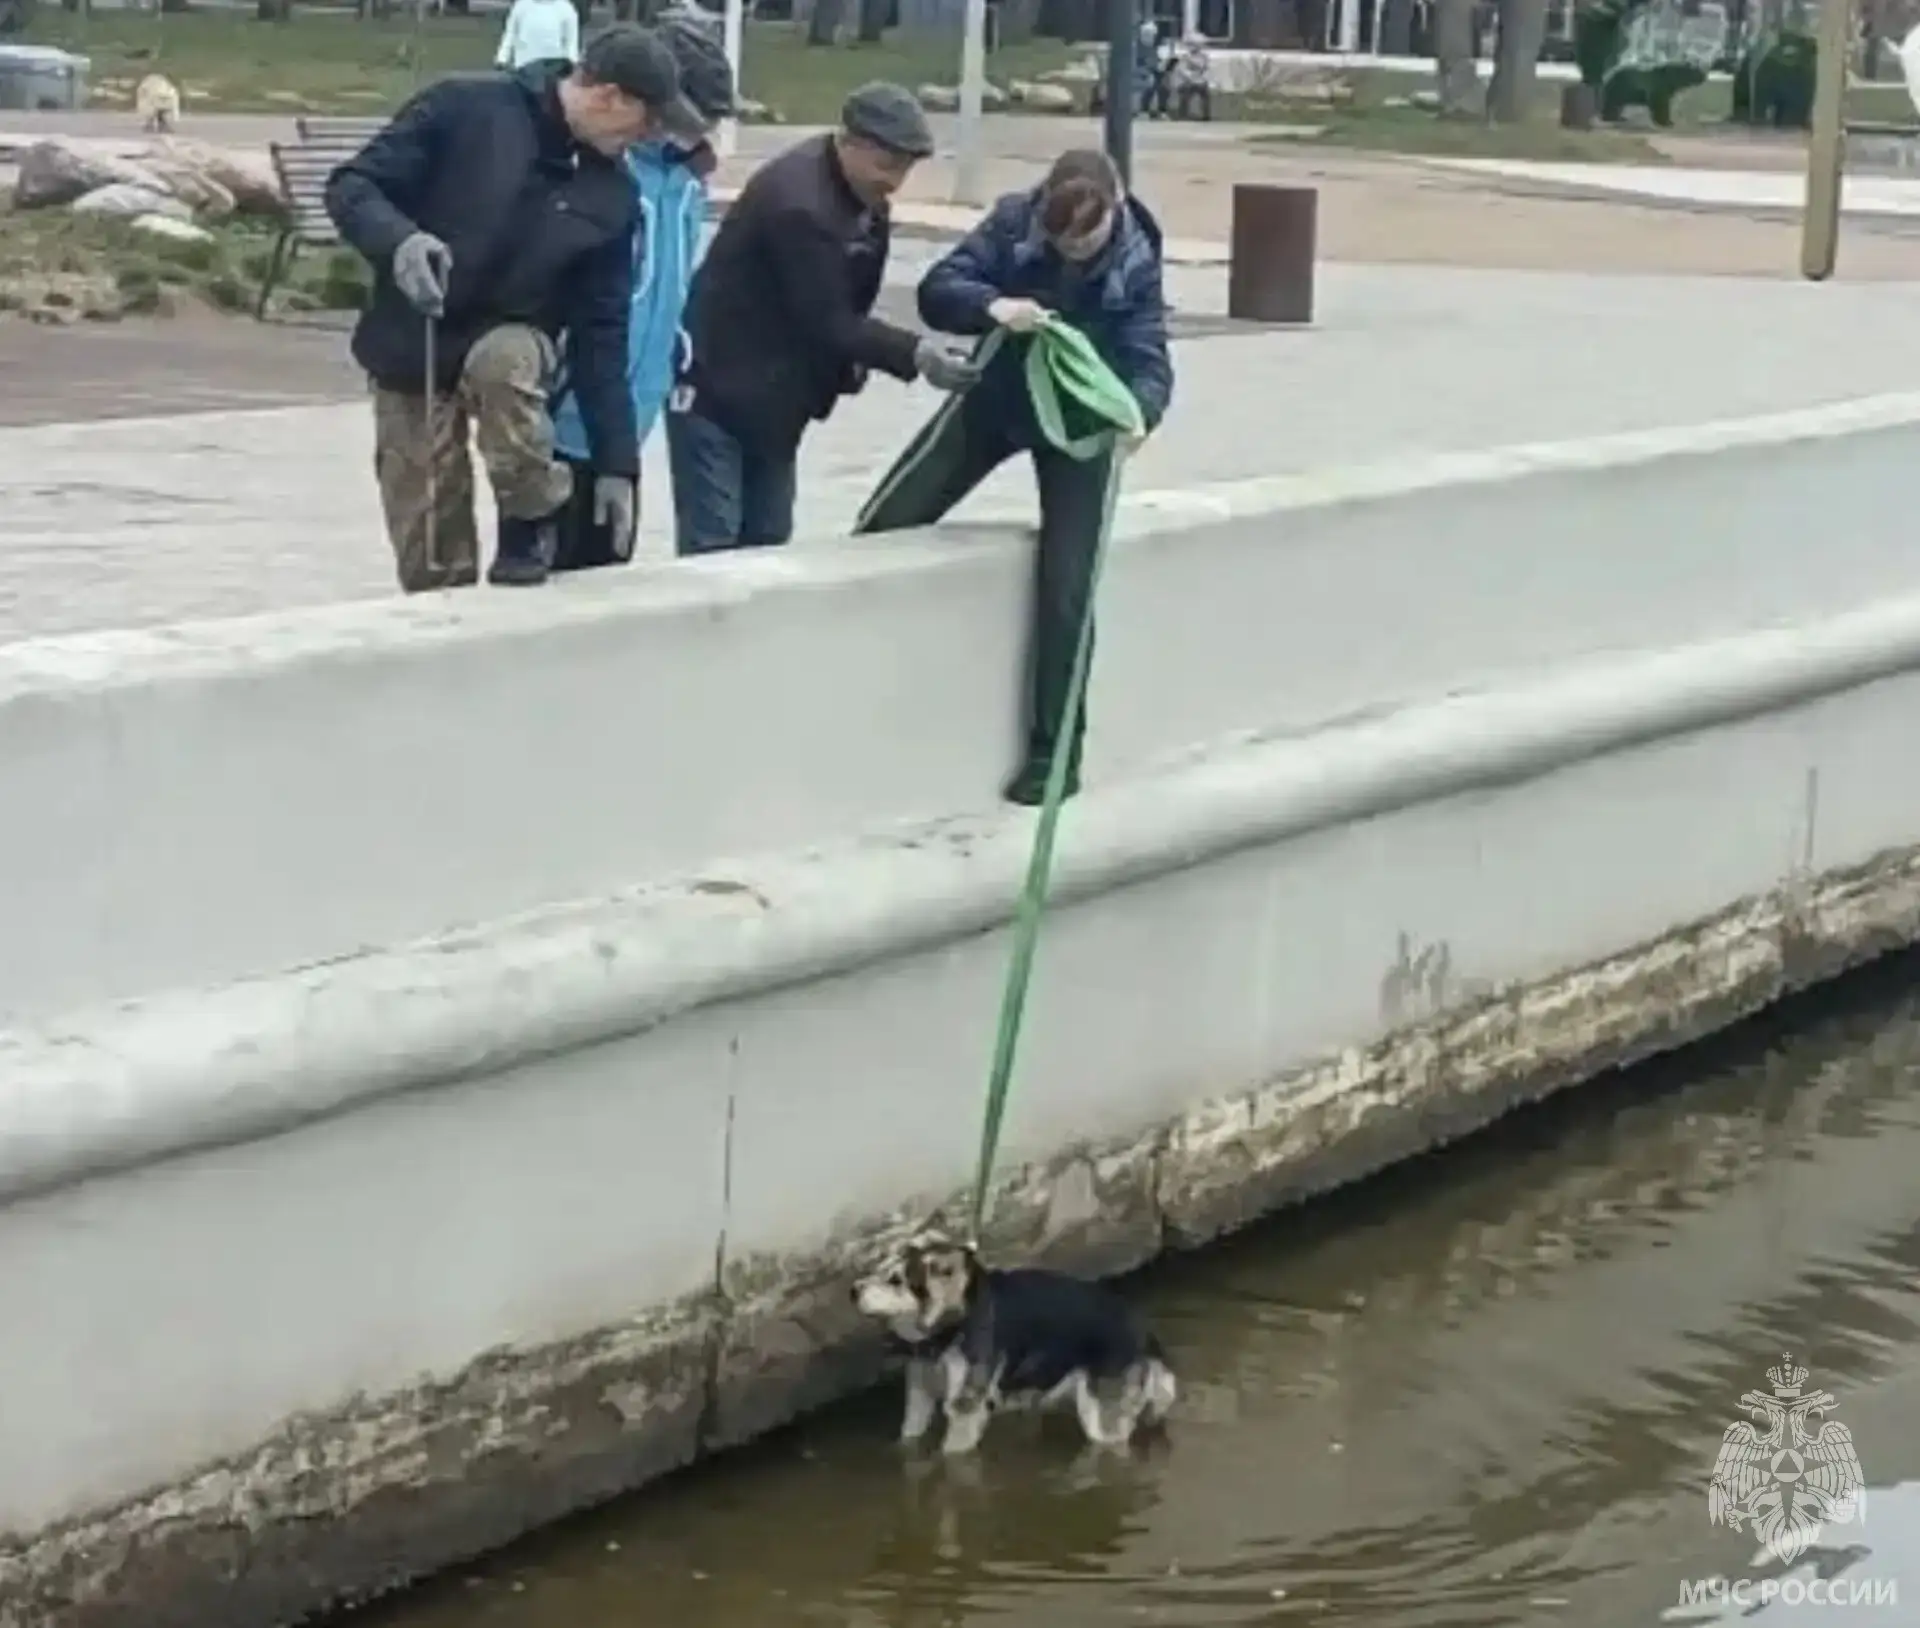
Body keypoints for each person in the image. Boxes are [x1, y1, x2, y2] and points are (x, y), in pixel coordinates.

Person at [325, 24, 708, 594]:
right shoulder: (464, 107)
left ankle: (531, 517)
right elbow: (353, 186)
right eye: (647, 121)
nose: (648, 137)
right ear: (609, 97)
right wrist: (398, 241)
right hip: (417, 339)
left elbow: (603, 337)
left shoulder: (612, 194)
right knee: (429, 539)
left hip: (513, 337)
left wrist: (616, 465)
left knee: (504, 363)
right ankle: (447, 612)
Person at [890, 149, 1173, 806]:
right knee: (890, 518)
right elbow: (938, 290)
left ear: (1115, 211)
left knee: (1069, 583)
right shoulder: (1013, 223)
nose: (1073, 255)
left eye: (1087, 245)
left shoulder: (1136, 257)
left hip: (1079, 423)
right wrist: (992, 305)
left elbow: (1149, 353)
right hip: (996, 400)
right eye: (1061, 244)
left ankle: (1055, 754)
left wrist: (1140, 411)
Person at [666, 81, 982, 556]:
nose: (894, 182)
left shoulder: (860, 196)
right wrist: (915, 353)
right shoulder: (800, 206)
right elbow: (829, 319)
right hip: (718, 389)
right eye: (886, 165)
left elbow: (851, 303)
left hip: (775, 398)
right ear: (849, 142)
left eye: (906, 168)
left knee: (769, 542)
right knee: (715, 548)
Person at [548, 6, 733, 572]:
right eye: (690, 118)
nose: (699, 132)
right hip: (571, 411)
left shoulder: (687, 183)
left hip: (634, 415)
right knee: (557, 569)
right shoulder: (605, 170)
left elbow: (672, 283)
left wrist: (677, 352)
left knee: (608, 565)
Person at [495, 0, 580, 72]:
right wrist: (502, 58)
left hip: (554, 68)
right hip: (524, 67)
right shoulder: (521, 5)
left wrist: (572, 62)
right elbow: (510, 34)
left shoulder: (566, 8)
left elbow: (571, 41)